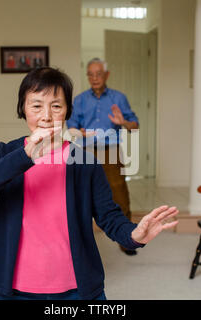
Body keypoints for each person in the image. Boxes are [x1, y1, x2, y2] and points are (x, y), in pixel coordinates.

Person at [0, 67, 179, 300]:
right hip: (14, 291)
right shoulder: (5, 153)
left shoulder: (85, 162)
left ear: (66, 111)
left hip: (77, 290)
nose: (46, 115)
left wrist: (135, 235)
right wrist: (24, 156)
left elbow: (109, 217)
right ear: (22, 109)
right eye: (36, 106)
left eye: (56, 106)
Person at [67, 57, 140, 255]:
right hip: (85, 152)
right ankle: (79, 239)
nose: (94, 78)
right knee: (80, 195)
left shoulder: (118, 98)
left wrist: (123, 121)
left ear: (106, 75)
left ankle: (127, 239)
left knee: (119, 194)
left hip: (111, 150)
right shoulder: (80, 99)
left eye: (98, 74)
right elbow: (71, 126)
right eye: (90, 74)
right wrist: (78, 132)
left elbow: (135, 126)